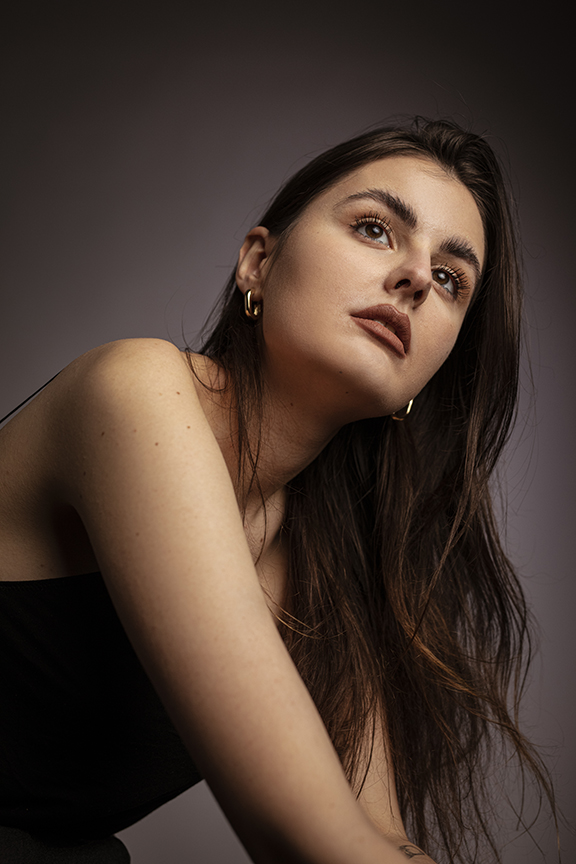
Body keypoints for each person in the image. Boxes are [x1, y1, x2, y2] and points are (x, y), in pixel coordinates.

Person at [0, 118, 555, 864]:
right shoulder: (136, 391)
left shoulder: (325, 576)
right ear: (258, 264)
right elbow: (313, 841)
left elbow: (379, 836)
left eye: (452, 279)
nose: (419, 279)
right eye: (375, 229)